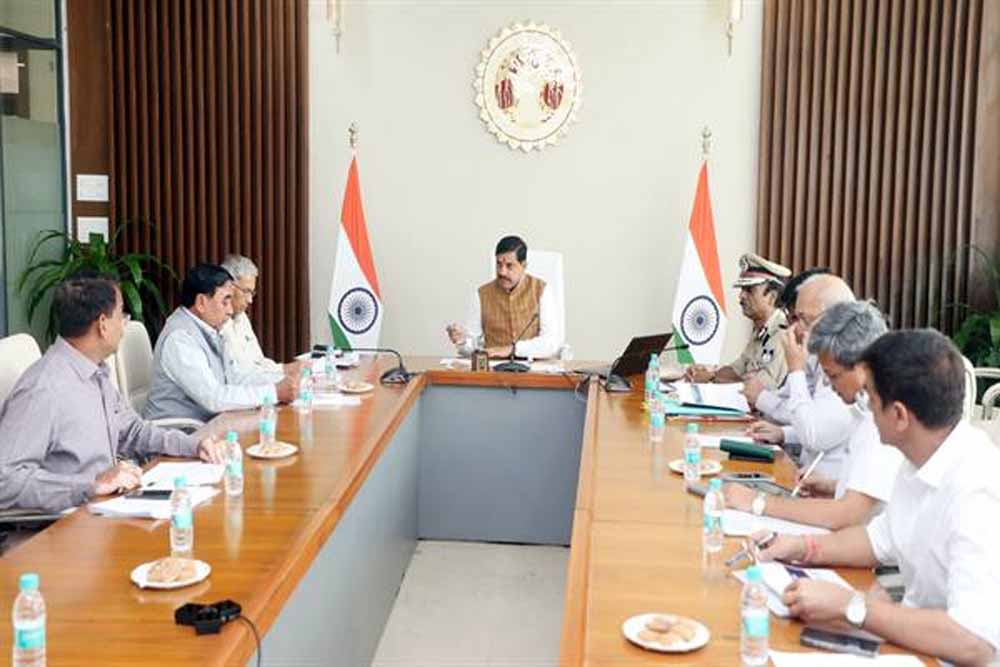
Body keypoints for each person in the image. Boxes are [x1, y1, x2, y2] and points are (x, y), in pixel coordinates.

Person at [759, 330, 1000, 666]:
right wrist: (802, 547)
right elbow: (877, 540)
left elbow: (976, 641)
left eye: (871, 399)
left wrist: (852, 607)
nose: (866, 410)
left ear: (899, 415)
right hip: (915, 647)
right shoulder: (919, 457)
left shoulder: (977, 490)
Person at [0, 275, 226, 513]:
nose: (125, 324)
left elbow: (134, 432)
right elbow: (5, 480)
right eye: (121, 314)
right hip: (66, 522)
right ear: (103, 324)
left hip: (105, 507)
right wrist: (91, 485)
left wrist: (193, 445)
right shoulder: (43, 388)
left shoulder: (95, 372)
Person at [723, 301, 903, 529]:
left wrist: (758, 502)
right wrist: (833, 487)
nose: (828, 384)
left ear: (862, 367)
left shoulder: (886, 420)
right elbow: (874, 493)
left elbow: (847, 515)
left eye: (833, 376)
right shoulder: (864, 408)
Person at [144, 263, 296, 423]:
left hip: (210, 425)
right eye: (225, 302)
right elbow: (213, 398)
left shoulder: (211, 328)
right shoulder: (180, 339)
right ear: (201, 302)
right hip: (180, 431)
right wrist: (274, 392)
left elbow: (235, 378)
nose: (230, 311)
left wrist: (282, 381)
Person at [740, 273, 856, 478]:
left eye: (802, 319)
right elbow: (822, 421)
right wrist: (783, 434)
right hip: (809, 477)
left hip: (826, 489)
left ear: (832, 318)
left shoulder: (847, 362)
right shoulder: (821, 354)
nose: (796, 329)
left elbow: (814, 433)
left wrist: (796, 370)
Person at [445, 235, 559, 359]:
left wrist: (512, 350)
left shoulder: (542, 290)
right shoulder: (482, 294)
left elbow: (551, 343)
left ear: (524, 265)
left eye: (509, 266)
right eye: (499, 264)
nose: (502, 272)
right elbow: (472, 349)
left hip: (533, 366)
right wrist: (461, 341)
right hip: (494, 367)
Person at [686, 253, 790, 387]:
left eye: (749, 290)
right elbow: (737, 370)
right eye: (742, 290)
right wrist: (708, 372)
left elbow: (761, 388)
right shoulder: (762, 331)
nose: (741, 296)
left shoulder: (784, 334)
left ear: (772, 297)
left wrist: (711, 378)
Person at [219, 254, 301, 383]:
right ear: (229, 287)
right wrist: (281, 376)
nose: (250, 300)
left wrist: (285, 369)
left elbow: (258, 362)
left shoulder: (241, 317)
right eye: (246, 291)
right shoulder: (216, 322)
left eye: (252, 293)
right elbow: (236, 377)